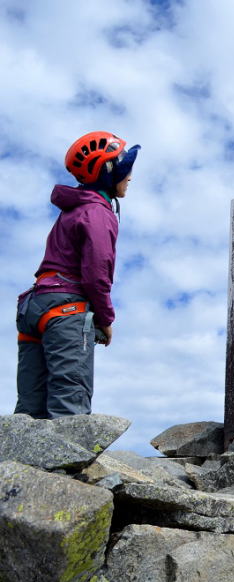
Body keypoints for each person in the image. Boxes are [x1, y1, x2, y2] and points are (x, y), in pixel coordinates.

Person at [15, 131, 140, 419]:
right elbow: (97, 273)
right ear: (109, 173)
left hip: (34, 306)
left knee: (29, 409)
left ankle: (18, 464)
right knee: (69, 406)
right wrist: (105, 318)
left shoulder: (72, 210)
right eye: (126, 169)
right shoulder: (98, 212)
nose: (131, 176)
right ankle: (67, 466)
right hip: (64, 309)